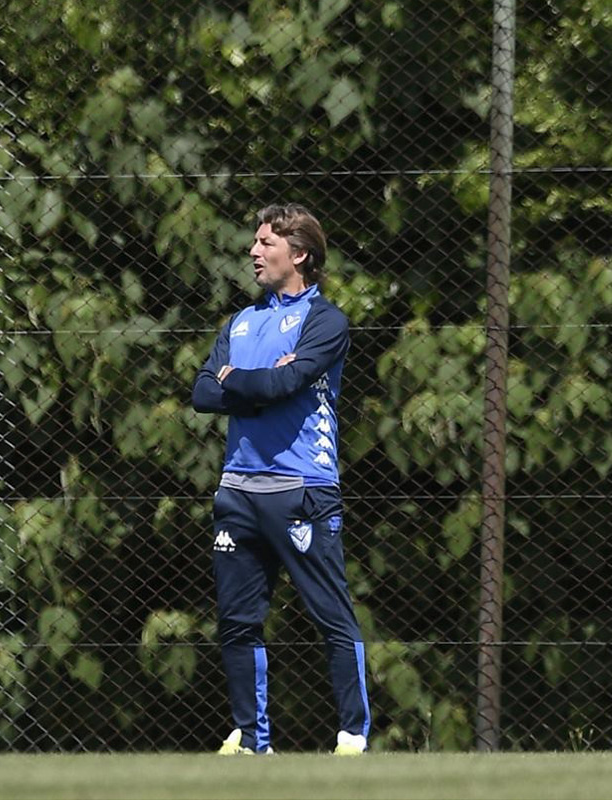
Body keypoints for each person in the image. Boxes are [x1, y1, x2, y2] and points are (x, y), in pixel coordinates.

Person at [192, 203, 371, 756]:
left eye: (265, 243)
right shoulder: (241, 322)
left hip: (302, 489)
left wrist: (239, 380)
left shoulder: (326, 321)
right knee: (237, 623)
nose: (253, 252)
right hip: (237, 491)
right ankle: (251, 740)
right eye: (255, 242)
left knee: (331, 614)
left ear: (299, 254)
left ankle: (351, 735)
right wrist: (258, 378)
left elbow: (286, 385)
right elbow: (203, 394)